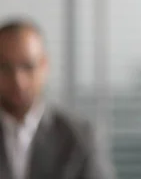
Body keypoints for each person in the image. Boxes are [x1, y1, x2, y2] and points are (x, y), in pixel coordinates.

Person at [0, 19, 115, 179]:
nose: (18, 81)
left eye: (28, 66)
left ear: (44, 66)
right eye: (5, 67)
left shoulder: (79, 138)